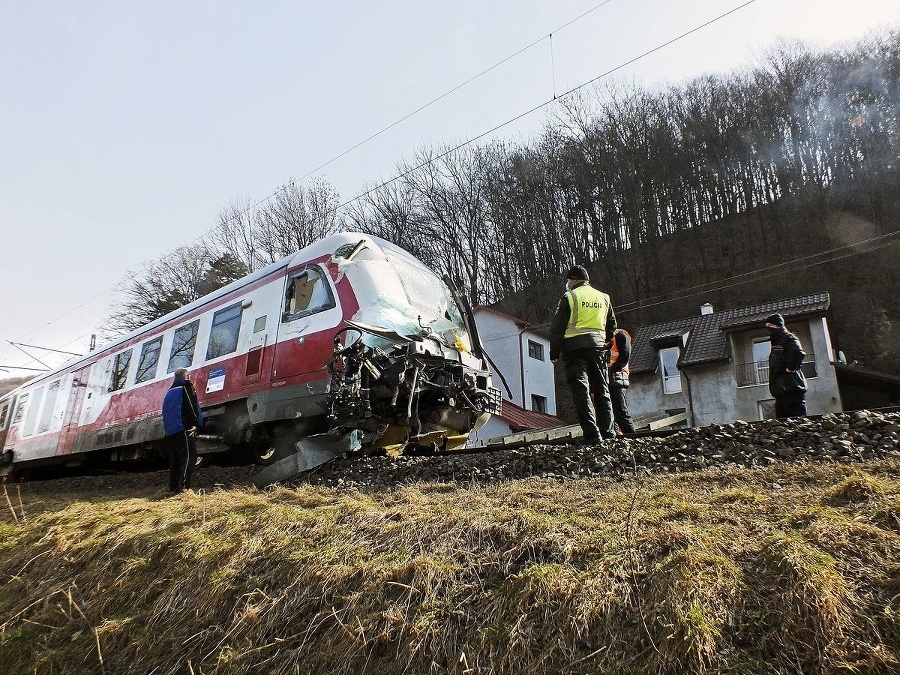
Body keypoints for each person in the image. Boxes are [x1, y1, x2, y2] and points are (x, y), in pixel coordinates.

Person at [550, 265, 617, 443]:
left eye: (568, 280)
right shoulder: (604, 297)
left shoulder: (570, 297)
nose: (567, 283)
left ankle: (592, 434)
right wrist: (604, 340)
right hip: (597, 348)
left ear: (574, 279)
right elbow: (612, 326)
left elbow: (557, 327)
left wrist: (554, 353)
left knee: (581, 391)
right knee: (602, 390)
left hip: (574, 350)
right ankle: (608, 433)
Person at [162, 367, 204, 493]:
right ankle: (185, 488)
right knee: (189, 457)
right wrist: (196, 424)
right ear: (186, 376)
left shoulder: (169, 392)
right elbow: (192, 407)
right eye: (188, 375)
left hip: (171, 431)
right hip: (184, 429)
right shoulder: (186, 387)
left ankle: (174, 487)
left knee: (175, 461)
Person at [765, 313, 807, 418]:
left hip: (791, 389)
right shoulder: (777, 342)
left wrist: (790, 368)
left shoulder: (788, 338)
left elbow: (798, 352)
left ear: (778, 325)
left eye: (771, 325)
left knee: (797, 420)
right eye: (767, 326)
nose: (769, 328)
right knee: (782, 424)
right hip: (781, 392)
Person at [608, 327, 636, 434]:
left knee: (620, 412)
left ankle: (632, 437)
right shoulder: (603, 336)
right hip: (609, 376)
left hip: (617, 376)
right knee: (611, 414)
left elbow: (625, 355)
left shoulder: (619, 334)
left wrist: (615, 368)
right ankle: (617, 437)